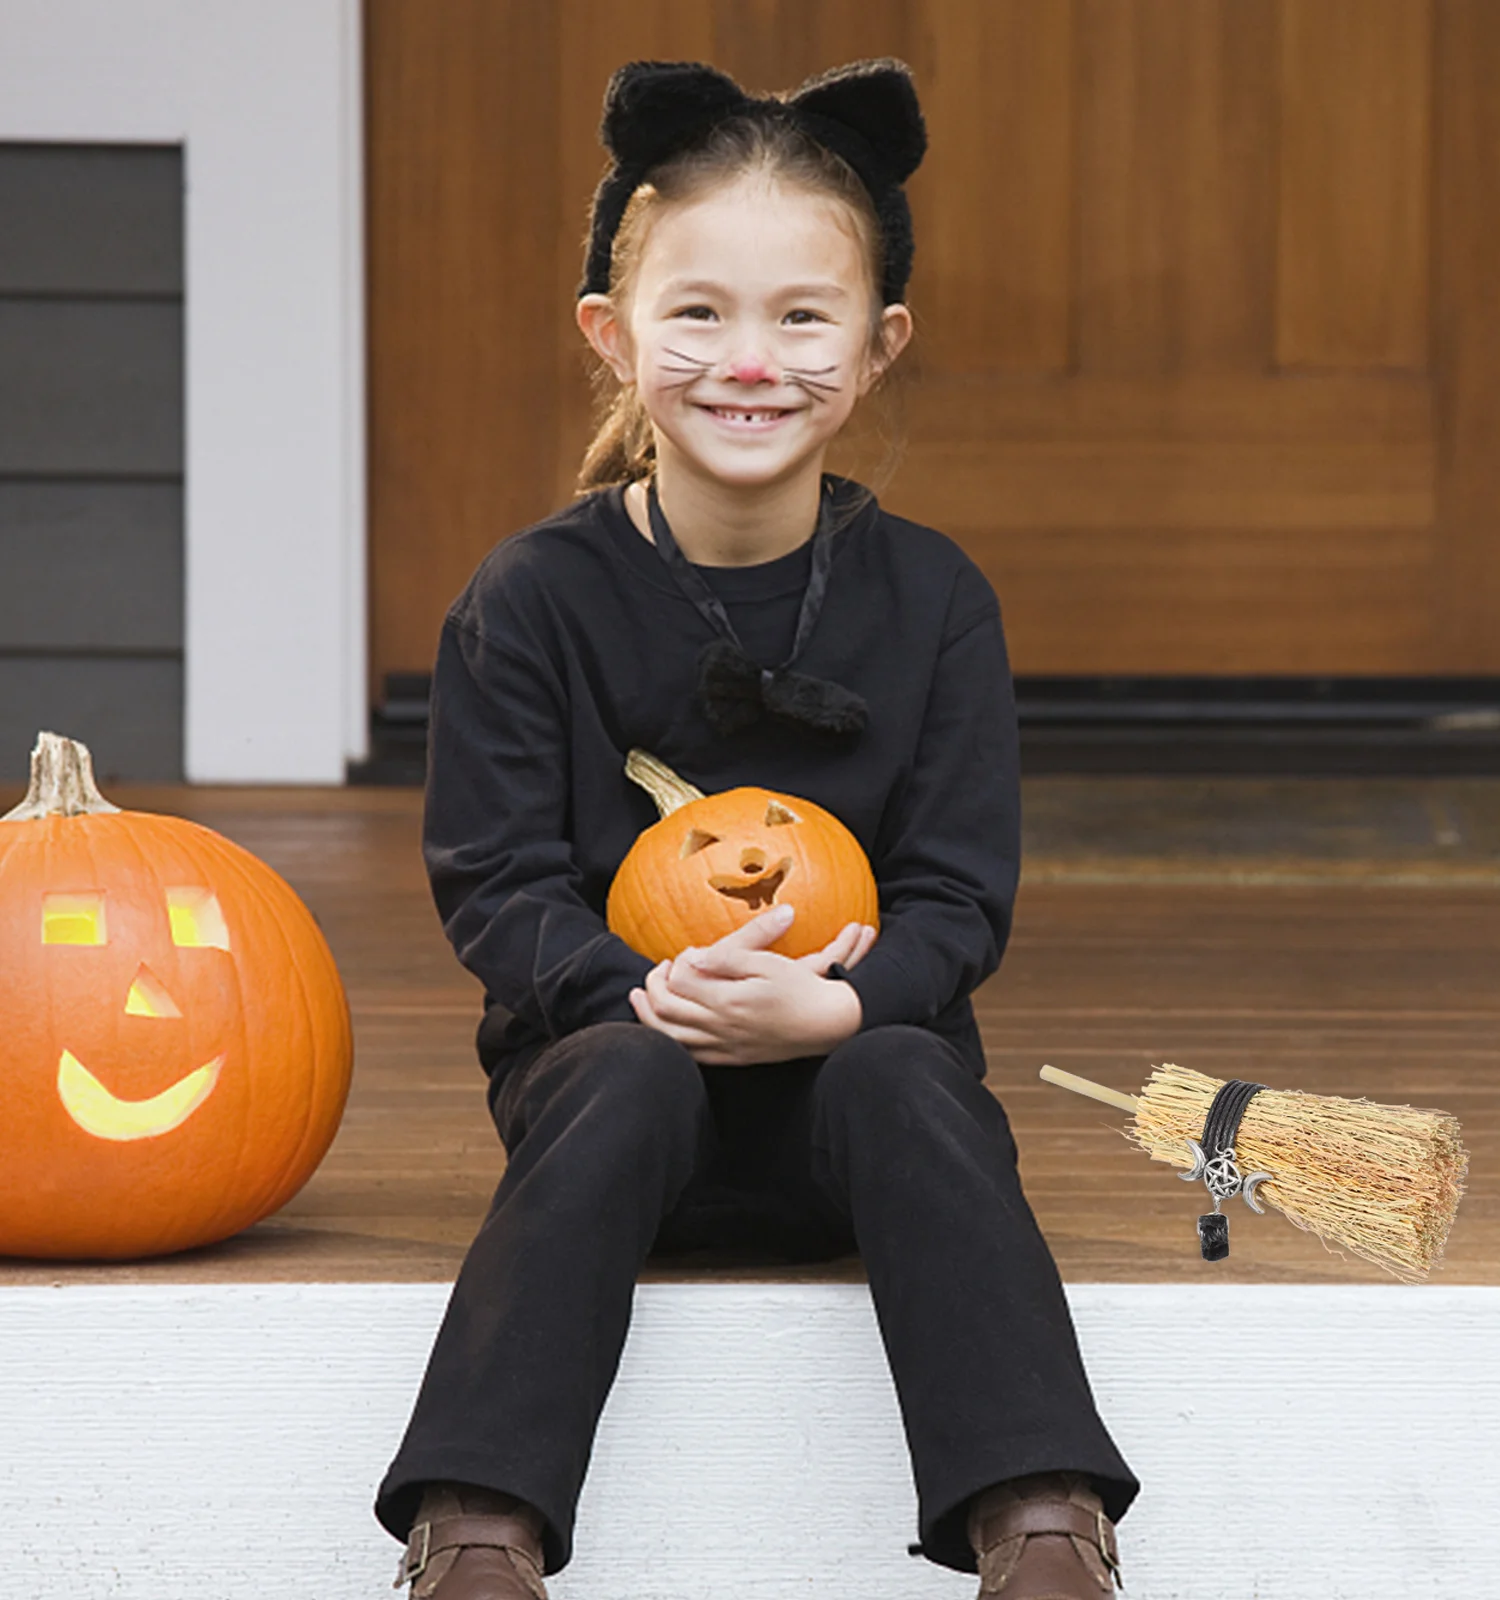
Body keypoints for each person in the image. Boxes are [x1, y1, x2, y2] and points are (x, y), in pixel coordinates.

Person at [375, 56, 1139, 1600]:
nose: (752, 360)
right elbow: (498, 880)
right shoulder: (530, 602)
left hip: (847, 1097)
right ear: (613, 332)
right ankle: (477, 1532)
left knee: (915, 1082)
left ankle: (1043, 1523)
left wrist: (842, 1003)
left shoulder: (932, 601)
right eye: (700, 312)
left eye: (803, 317)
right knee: (626, 1084)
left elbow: (955, 896)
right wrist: (634, 992)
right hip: (612, 1085)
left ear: (877, 346)